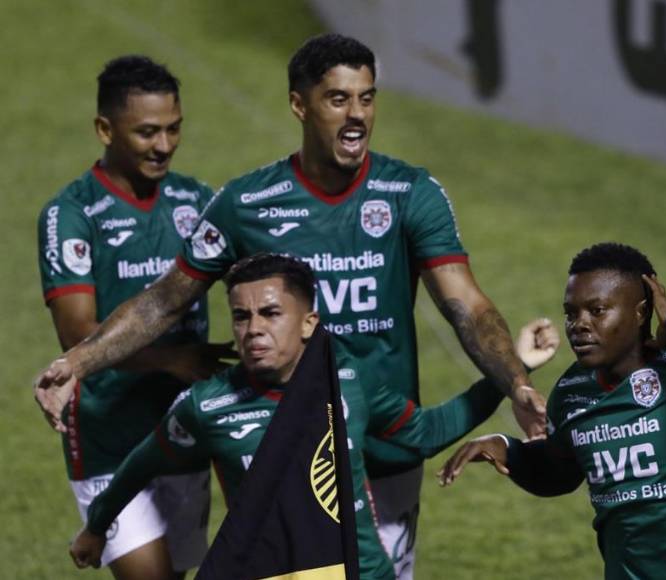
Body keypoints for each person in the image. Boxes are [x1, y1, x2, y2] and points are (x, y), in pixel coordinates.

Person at [34, 33, 545, 578]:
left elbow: (463, 302)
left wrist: (514, 381)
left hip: (386, 444)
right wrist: (77, 364)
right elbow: (164, 300)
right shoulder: (246, 204)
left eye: (367, 98)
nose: (356, 115)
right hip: (284, 447)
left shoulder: (409, 192)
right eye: (338, 99)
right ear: (300, 104)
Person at [68, 253, 560, 580]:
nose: (254, 329)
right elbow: (142, 462)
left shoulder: (347, 379)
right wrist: (97, 527)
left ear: (309, 323)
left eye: (270, 313)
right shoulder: (207, 406)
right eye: (242, 317)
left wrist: (507, 378)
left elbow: (423, 433)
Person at [439, 242, 666, 580]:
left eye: (597, 310)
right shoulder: (572, 391)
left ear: (639, 312)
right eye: (571, 313)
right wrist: (507, 449)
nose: (579, 324)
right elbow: (559, 472)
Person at [35, 55, 235, 579]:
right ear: (105, 128)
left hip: (183, 429)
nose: (164, 145)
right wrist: (172, 360)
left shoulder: (196, 201)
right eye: (147, 132)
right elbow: (77, 333)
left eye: (173, 129)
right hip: (109, 438)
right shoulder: (72, 214)